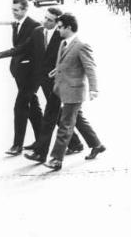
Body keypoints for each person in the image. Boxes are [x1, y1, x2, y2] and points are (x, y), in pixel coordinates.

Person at [44, 13, 105, 171]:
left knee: (65, 124)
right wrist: (56, 71)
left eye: (60, 27)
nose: (58, 30)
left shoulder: (81, 45)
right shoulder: (64, 43)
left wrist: (93, 89)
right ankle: (97, 144)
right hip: (63, 89)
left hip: (74, 91)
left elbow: (90, 68)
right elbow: (65, 63)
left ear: (68, 27)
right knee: (77, 119)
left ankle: (56, 159)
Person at [24, 8, 83, 163]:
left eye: (50, 20)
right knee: (65, 116)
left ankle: (41, 153)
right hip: (47, 81)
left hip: (58, 83)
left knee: (50, 117)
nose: (45, 22)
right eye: (45, 18)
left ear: (58, 23)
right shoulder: (39, 32)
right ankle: (80, 143)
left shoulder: (64, 36)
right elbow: (27, 48)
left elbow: (71, 61)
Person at [0, 0, 42, 156]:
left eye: (16, 10)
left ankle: (17, 145)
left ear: (25, 10)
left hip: (31, 75)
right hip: (20, 73)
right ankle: (41, 141)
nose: (13, 12)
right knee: (33, 109)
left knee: (20, 107)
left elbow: (24, 47)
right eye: (12, 9)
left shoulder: (34, 26)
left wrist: (0, 54)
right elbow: (18, 46)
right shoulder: (17, 24)